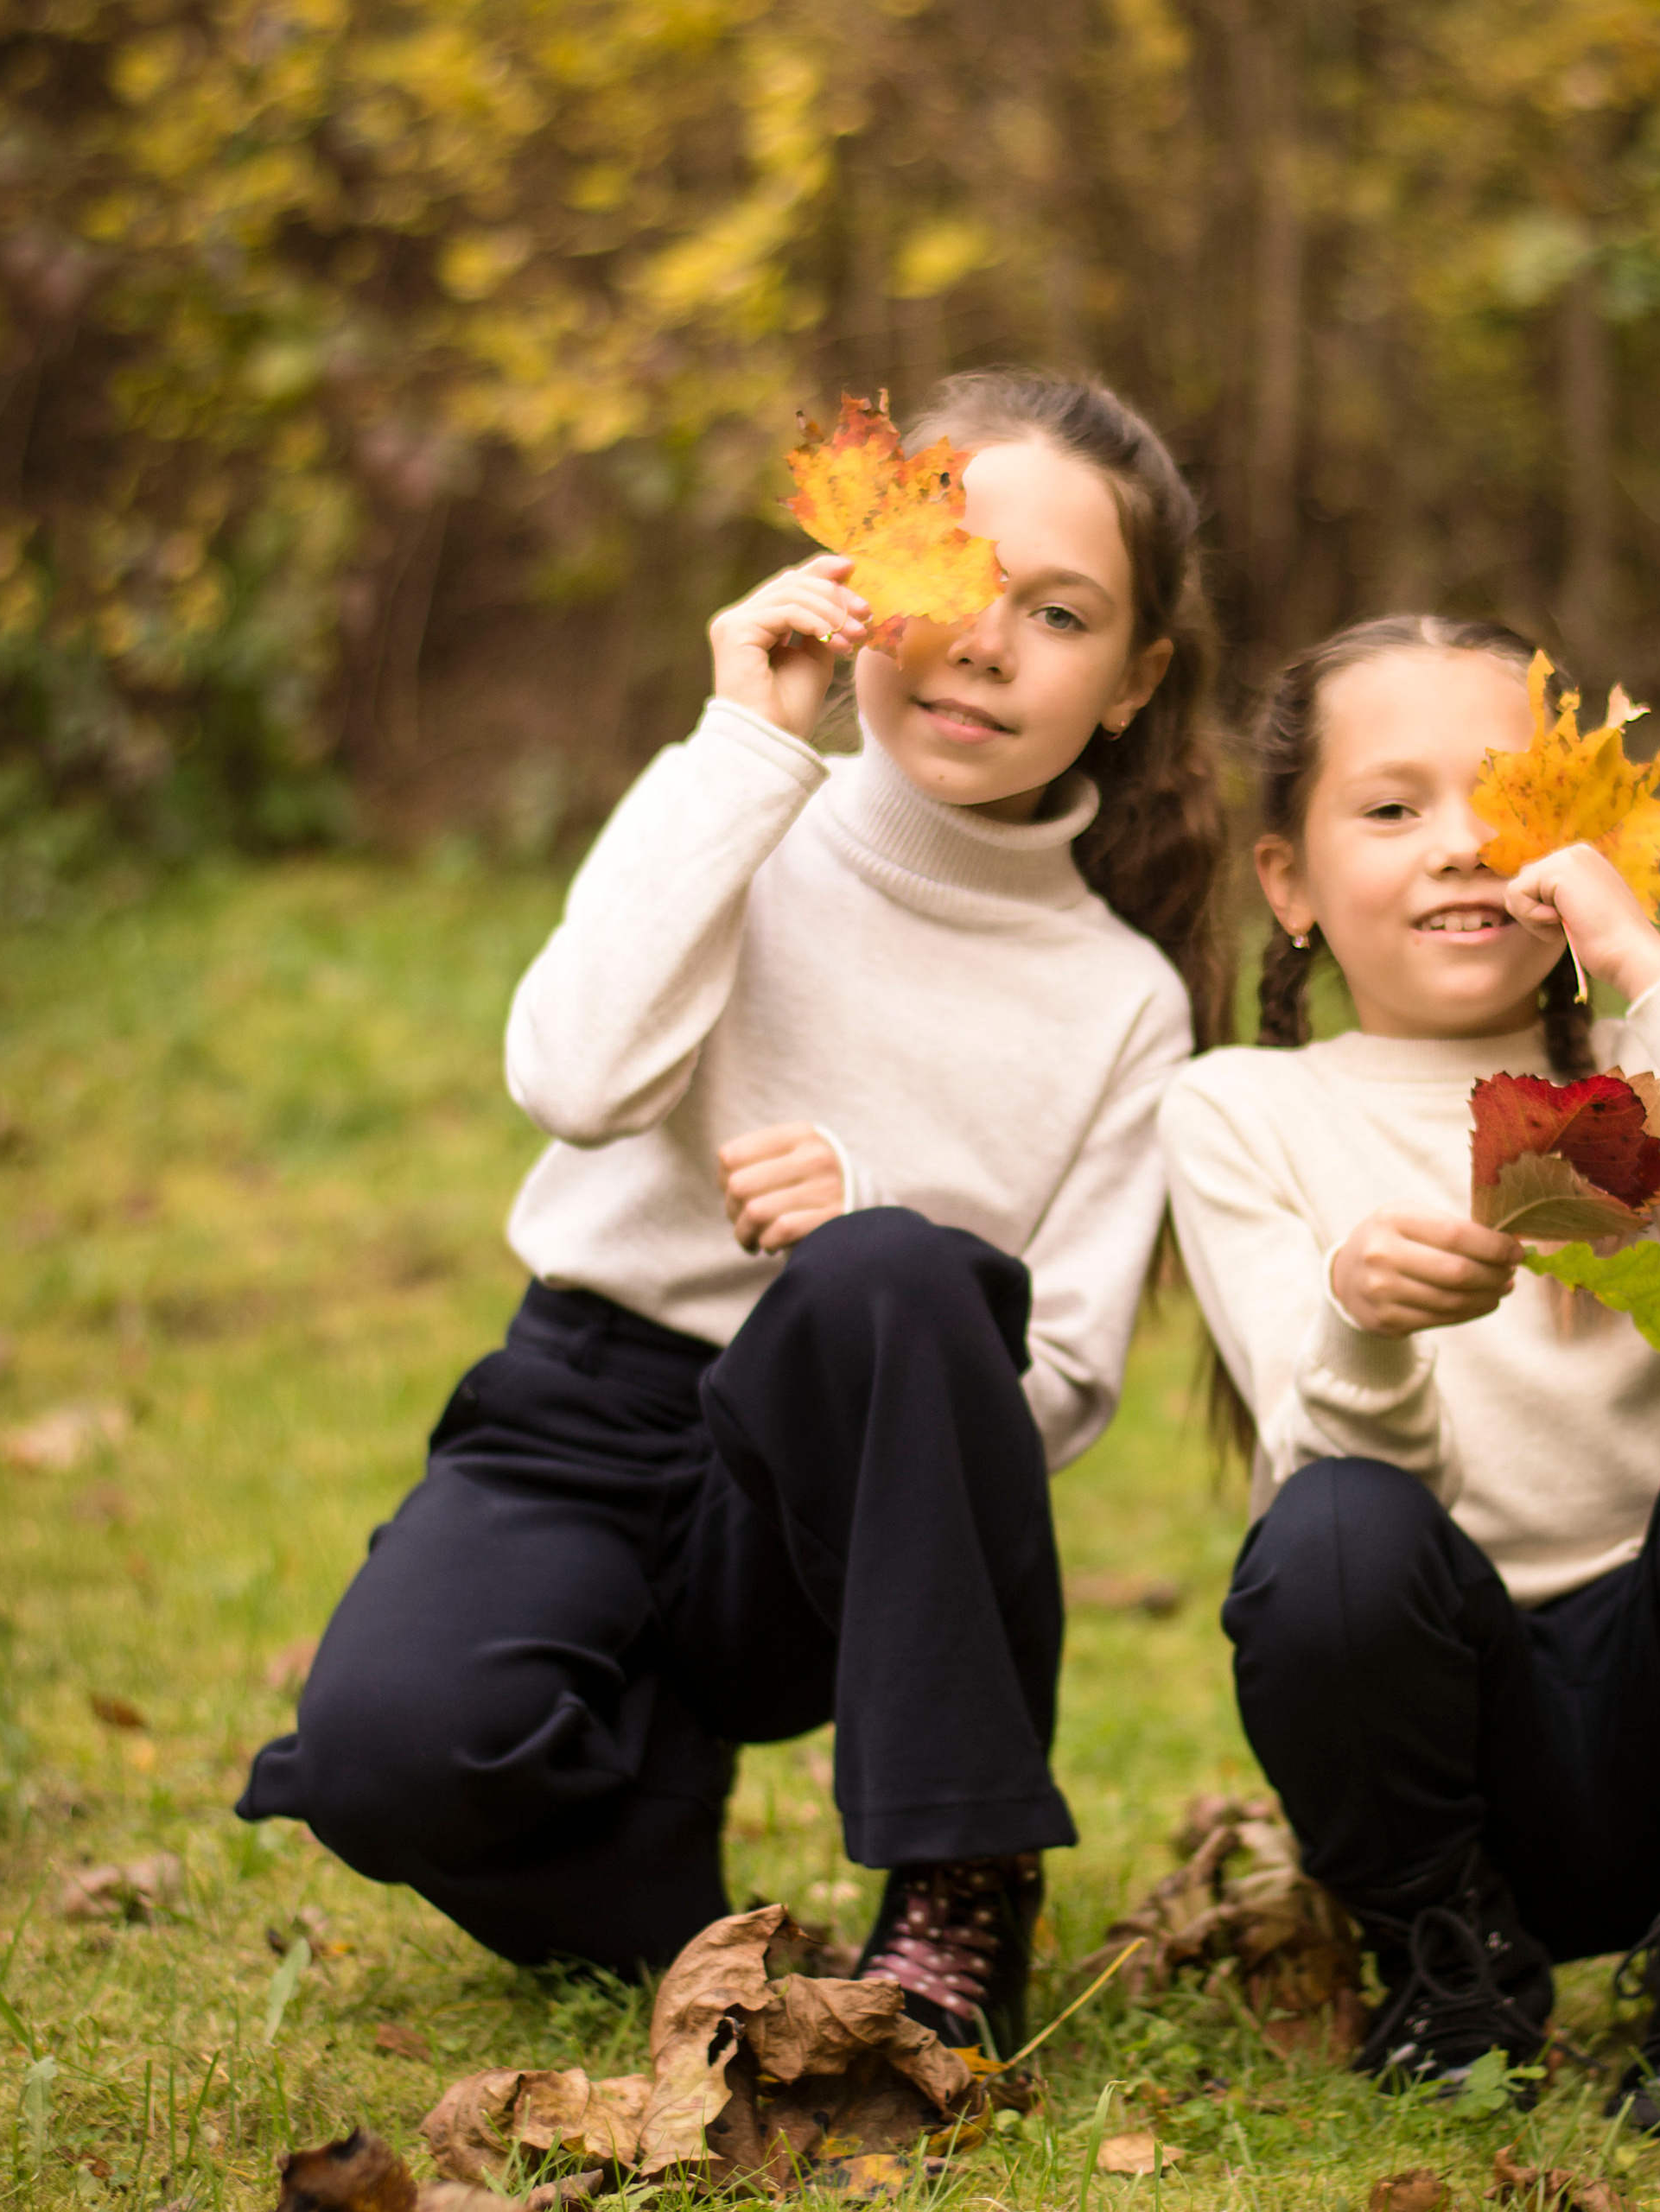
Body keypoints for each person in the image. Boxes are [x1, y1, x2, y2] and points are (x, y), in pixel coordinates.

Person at [239, 372, 1229, 2057]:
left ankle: (958, 1872)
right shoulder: (733, 805)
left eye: (1055, 614)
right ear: (858, 582)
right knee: (385, 1754)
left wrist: (880, 1234)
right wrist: (744, 741)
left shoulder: (1120, 998)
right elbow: (570, 1074)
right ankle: (676, 1884)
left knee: (889, 1273)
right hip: (587, 1414)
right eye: (951, 579)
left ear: (1131, 681)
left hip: (850, 1515)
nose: (985, 642)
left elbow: (1052, 1387)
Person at [1160, 615, 1660, 2129]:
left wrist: (1642, 958)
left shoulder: (1645, 1092)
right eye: (1392, 809)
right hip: (1443, 1747)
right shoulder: (1243, 1110)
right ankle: (1449, 1974)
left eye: (1509, 803)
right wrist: (1364, 1318)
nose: (1459, 845)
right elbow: (1325, 1474)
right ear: (1288, 884)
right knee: (1325, 1540)